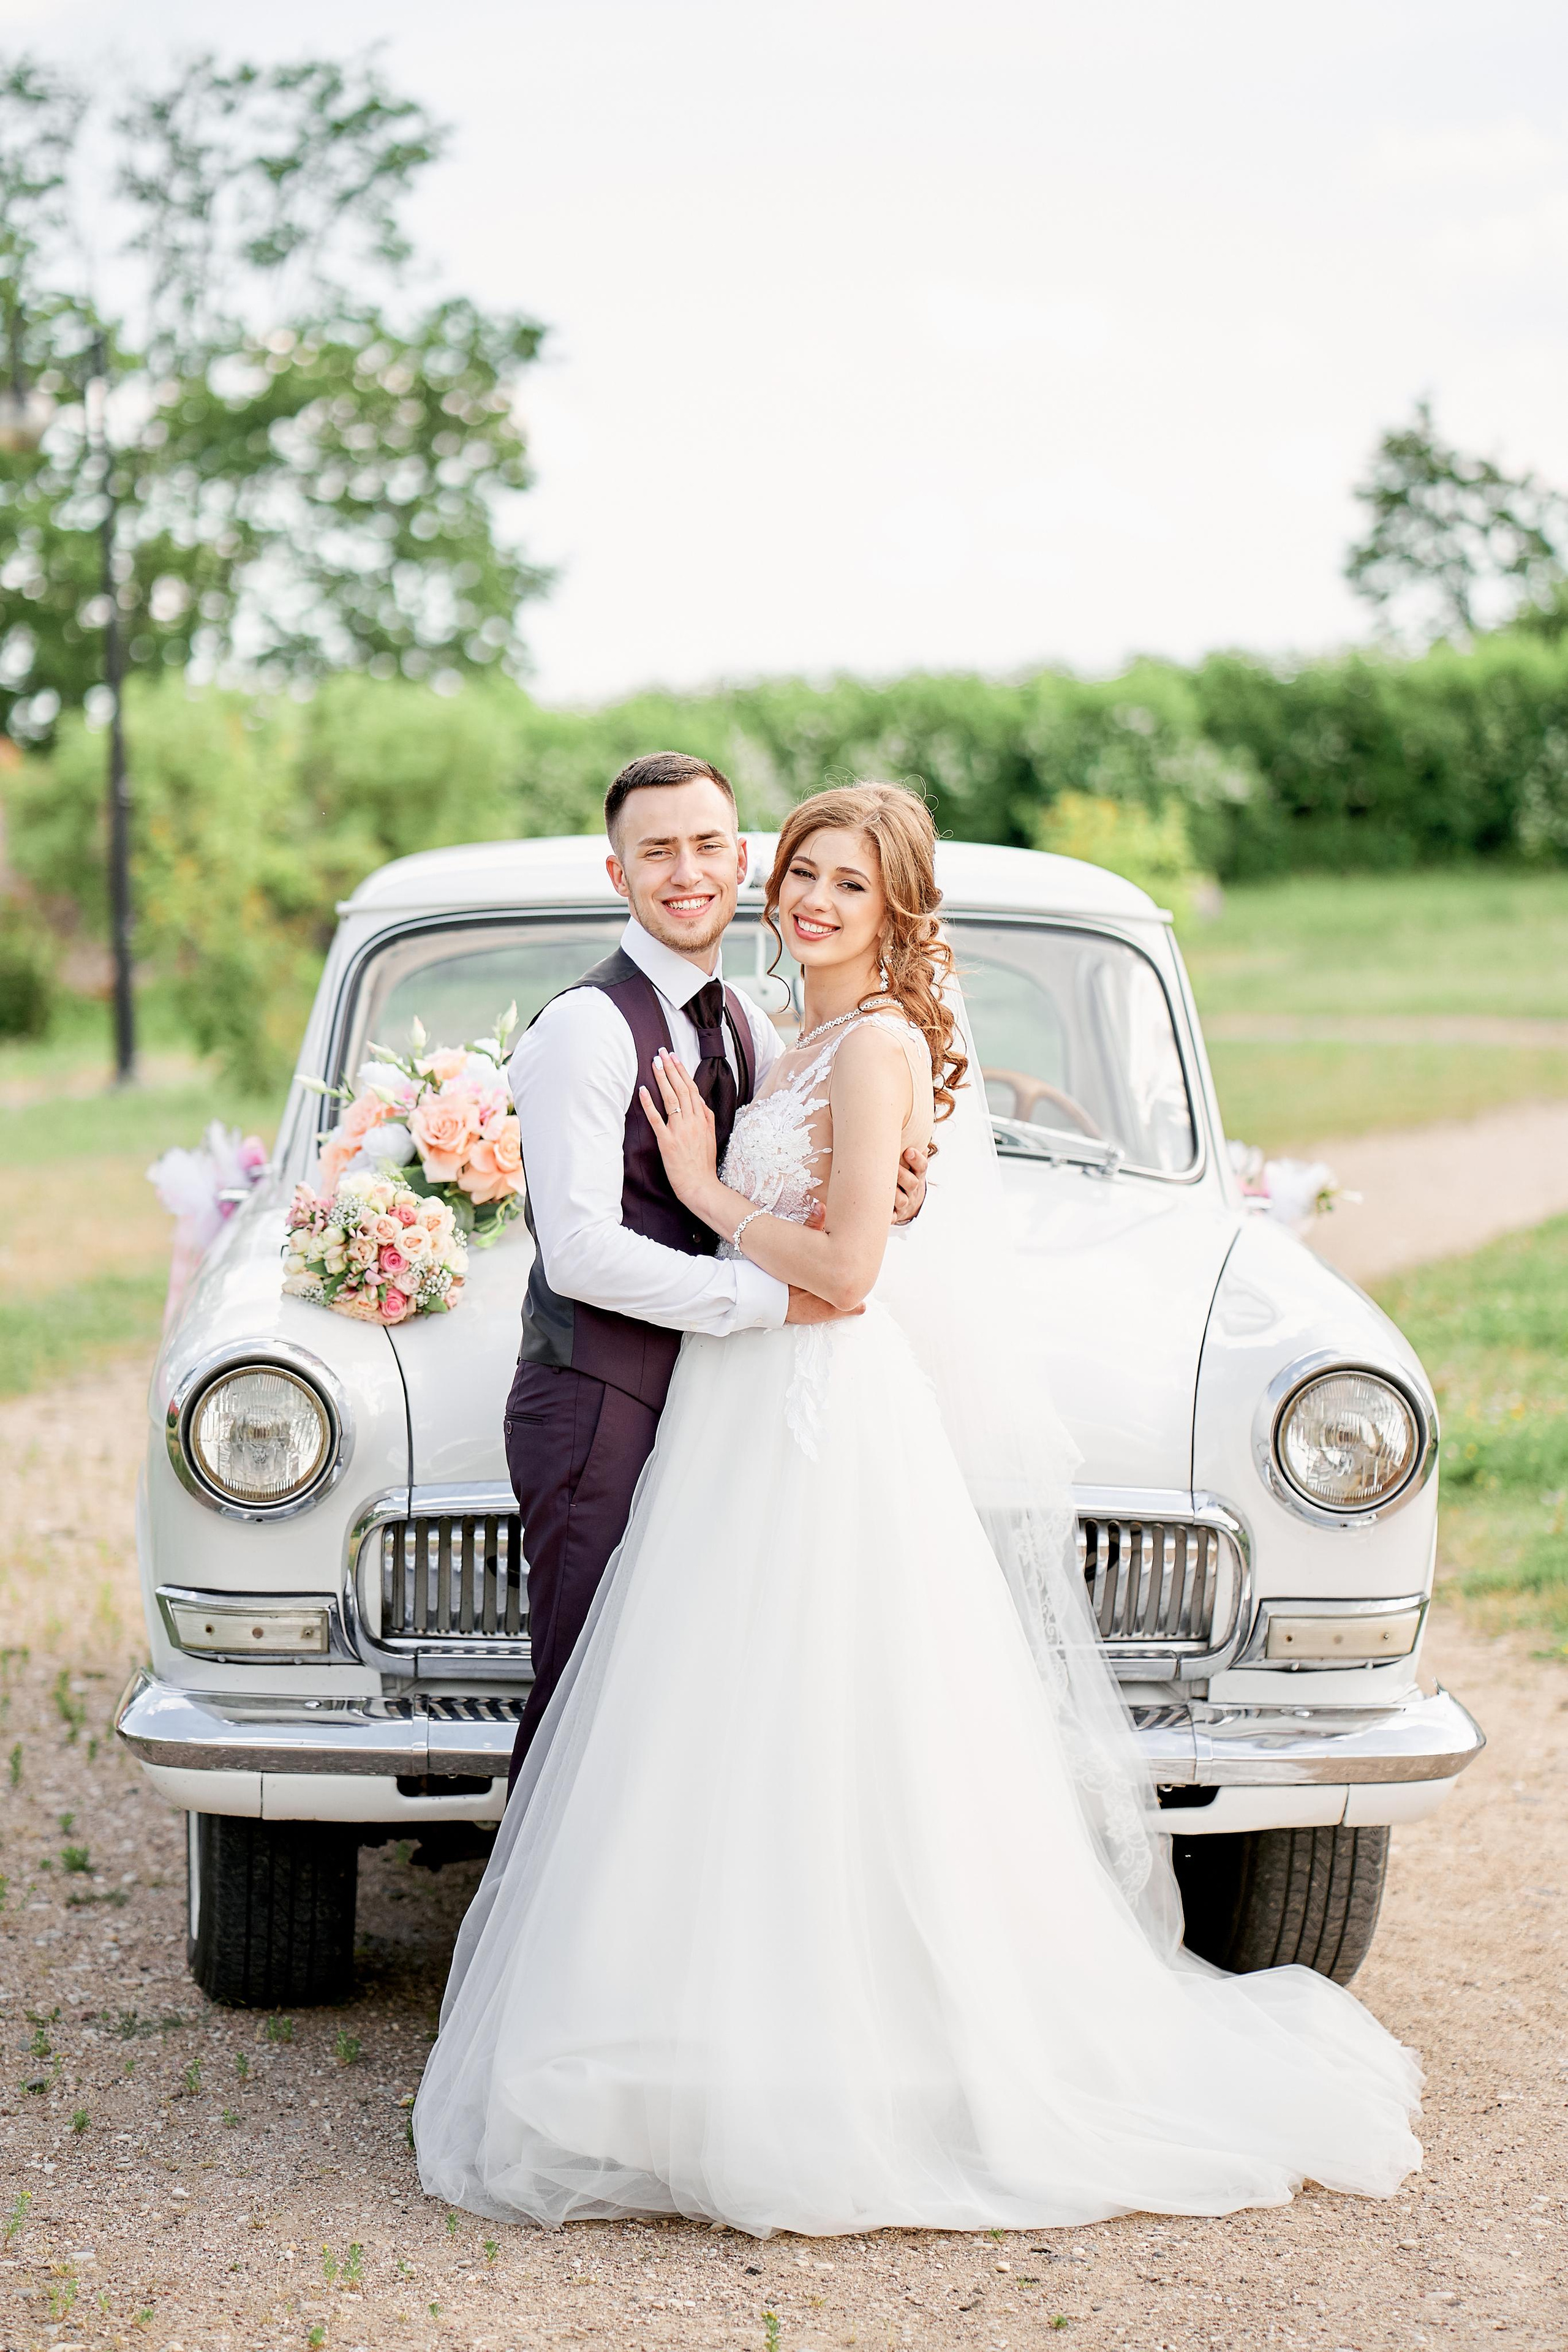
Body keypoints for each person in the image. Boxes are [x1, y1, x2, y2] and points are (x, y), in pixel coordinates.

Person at [415, 782, 1422, 2236]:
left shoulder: (874, 1042)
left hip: (815, 1396)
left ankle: (857, 2039)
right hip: (737, 1402)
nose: (814, 901)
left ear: (894, 908)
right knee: (729, 1720)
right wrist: (767, 1199)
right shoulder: (772, 1032)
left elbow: (845, 1276)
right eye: (803, 874)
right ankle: (709, 2016)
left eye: (848, 883)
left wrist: (706, 1185)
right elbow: (792, 1222)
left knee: (842, 1714)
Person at [501, 752, 927, 1776]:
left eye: (706, 847)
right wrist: (764, 1298)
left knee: (687, 1698)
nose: (686, 872)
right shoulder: (587, 1026)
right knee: (584, 1701)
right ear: (620, 875)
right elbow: (579, 1250)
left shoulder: (744, 1021)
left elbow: (807, 1170)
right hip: (599, 1398)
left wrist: (895, 1186)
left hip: (719, 1404)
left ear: (740, 863)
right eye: (657, 852)